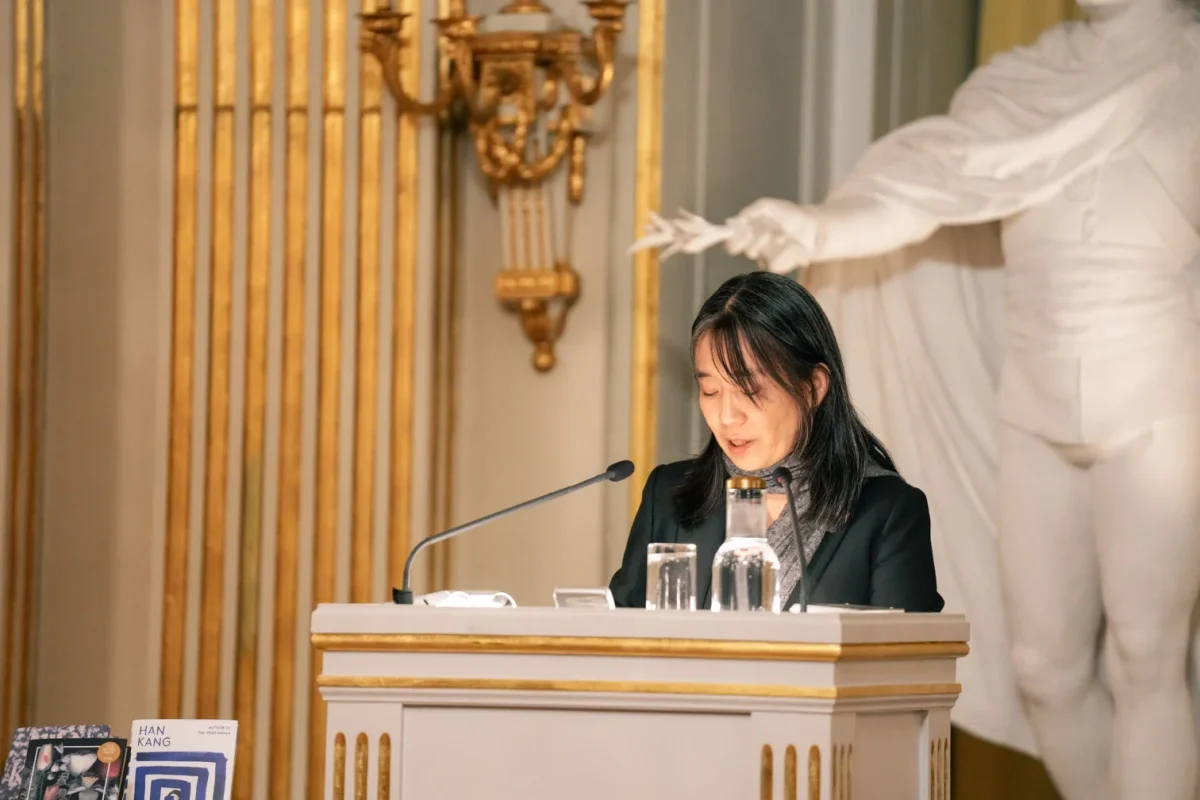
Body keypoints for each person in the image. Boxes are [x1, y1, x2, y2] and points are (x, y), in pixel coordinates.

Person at [636, 2, 1200, 798]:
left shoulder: (1190, 65)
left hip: (1156, 395)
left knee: (1148, 654)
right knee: (1043, 669)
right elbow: (930, 192)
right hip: (1035, 402)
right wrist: (819, 228)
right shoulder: (1024, 81)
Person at [608, 272, 944, 613]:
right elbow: (617, 641)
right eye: (710, 391)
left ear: (813, 387)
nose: (726, 416)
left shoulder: (886, 512)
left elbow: (908, 661)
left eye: (749, 391)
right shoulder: (667, 496)